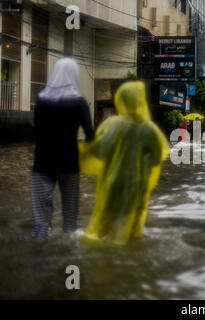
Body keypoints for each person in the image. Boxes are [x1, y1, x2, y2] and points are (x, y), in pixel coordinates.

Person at [79, 81, 169, 245]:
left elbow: (99, 151)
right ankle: (128, 262)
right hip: (138, 186)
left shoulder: (114, 124)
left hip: (113, 182)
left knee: (102, 228)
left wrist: (80, 151)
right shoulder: (149, 130)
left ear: (122, 101)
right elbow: (157, 158)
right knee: (131, 233)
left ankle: (99, 261)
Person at [31, 57, 94, 238]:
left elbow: (36, 131)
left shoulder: (41, 100)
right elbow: (90, 136)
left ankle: (37, 256)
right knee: (69, 222)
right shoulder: (79, 103)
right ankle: (68, 257)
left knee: (41, 223)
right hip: (69, 164)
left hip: (42, 163)